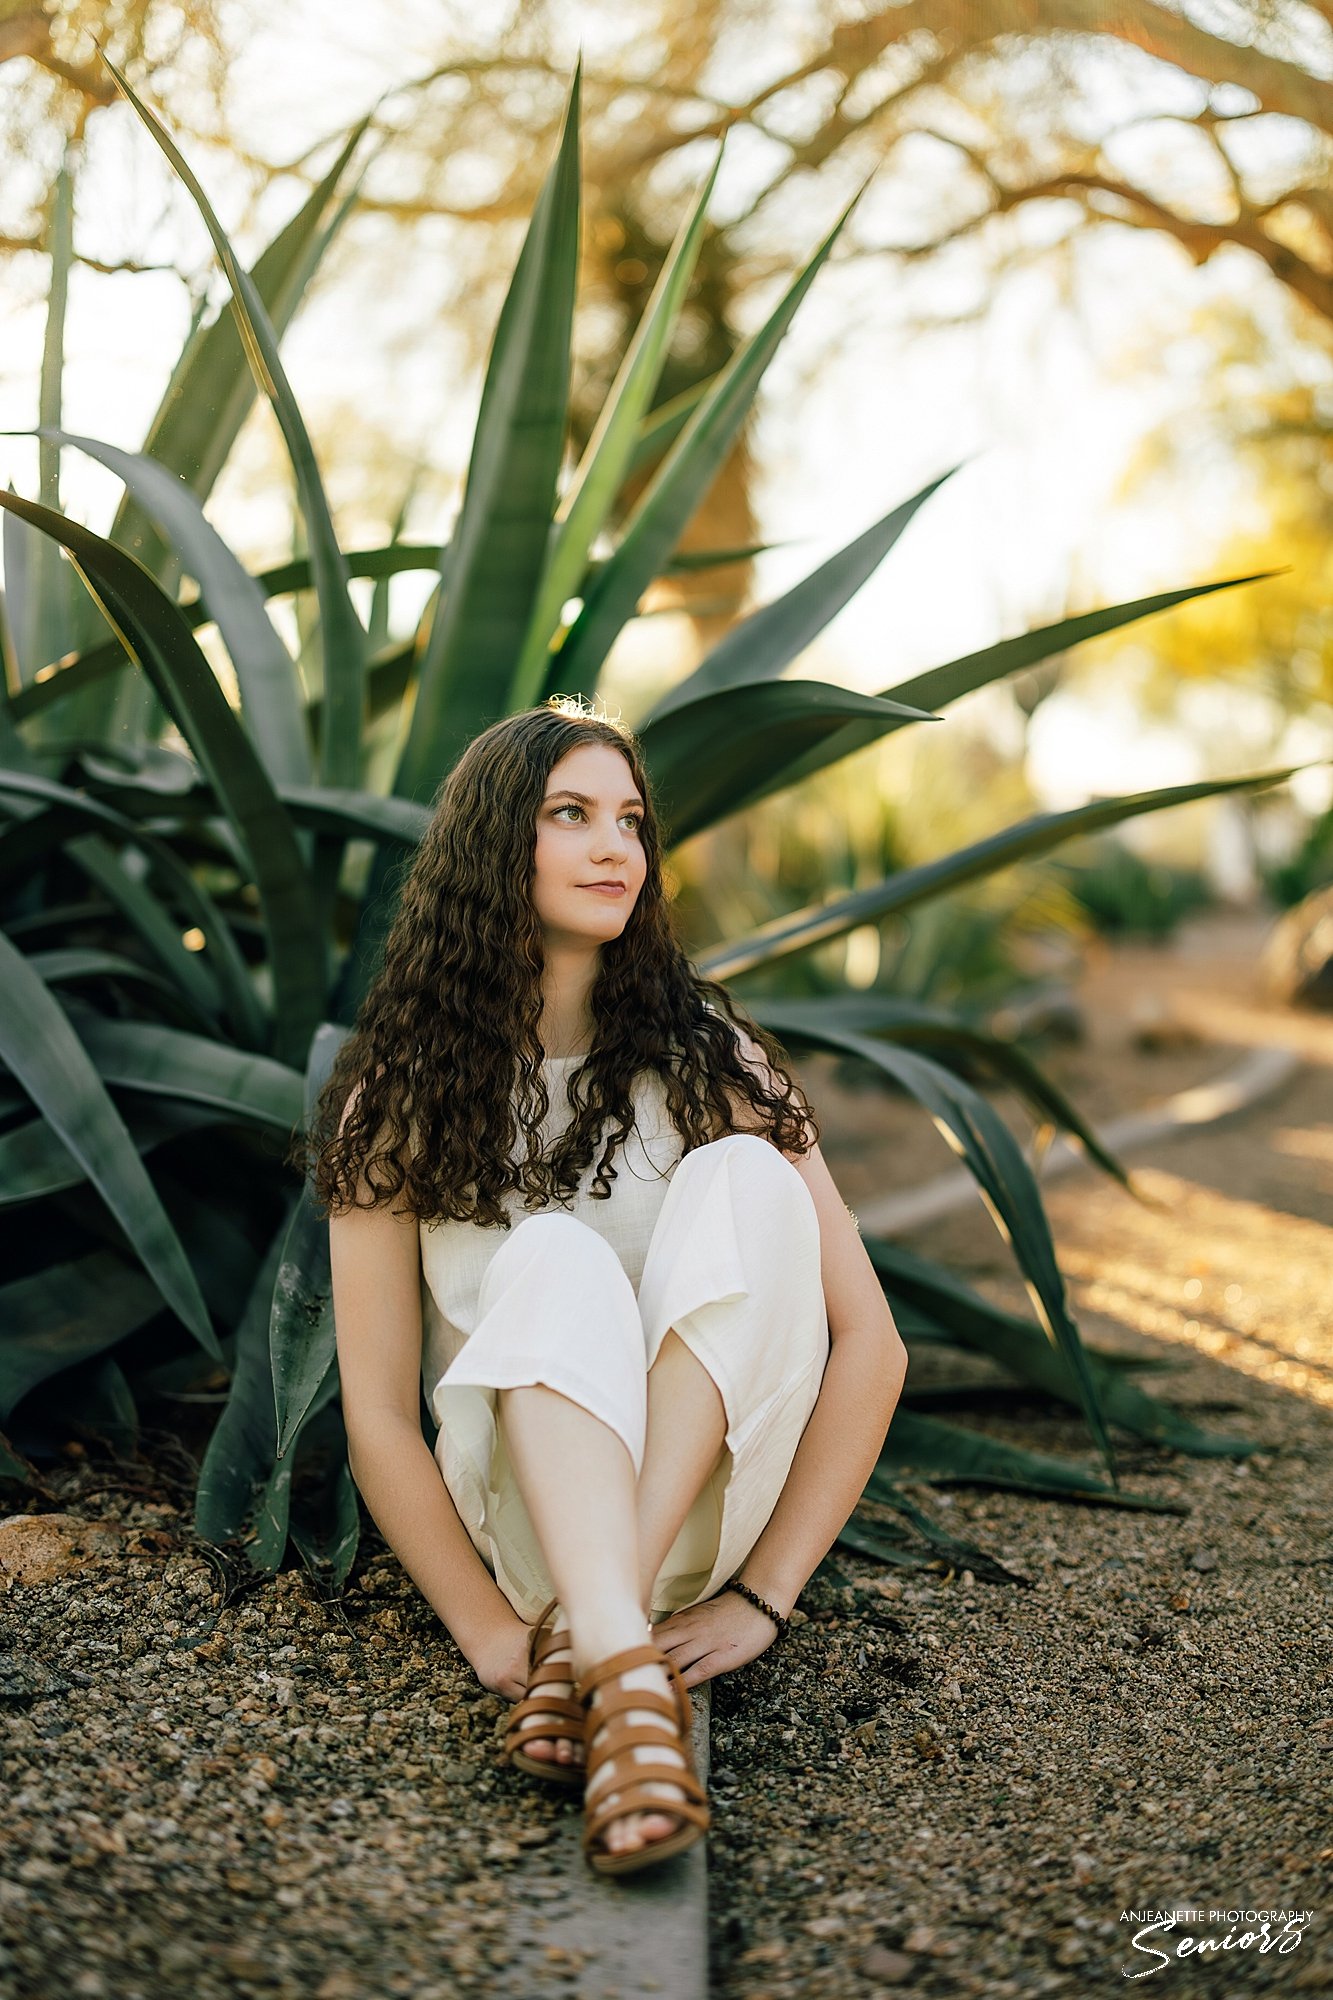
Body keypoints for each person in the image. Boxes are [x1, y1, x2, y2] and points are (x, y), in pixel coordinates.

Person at [307, 699, 909, 1878]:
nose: (613, 847)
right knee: (549, 1252)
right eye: (569, 814)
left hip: (702, 1528)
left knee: (744, 1175)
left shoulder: (714, 1060)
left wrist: (767, 1598)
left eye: (629, 819)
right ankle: (609, 1647)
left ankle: (607, 1638)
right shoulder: (401, 1094)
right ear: (493, 848)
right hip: (531, 1548)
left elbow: (870, 1343)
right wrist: (491, 1637)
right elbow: (377, 1410)